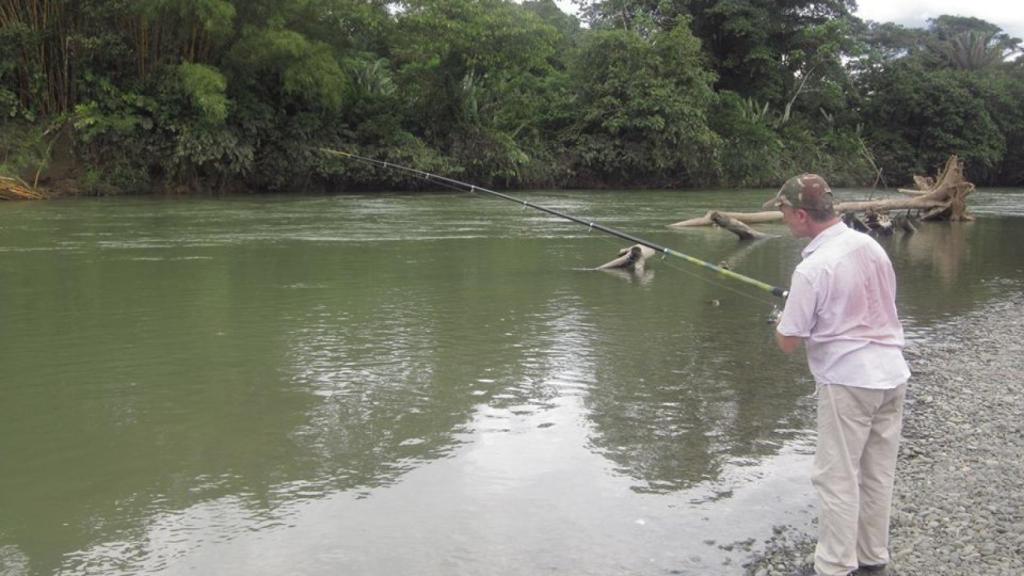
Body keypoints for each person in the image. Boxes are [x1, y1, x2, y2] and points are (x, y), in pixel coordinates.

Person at [765, 174, 911, 576]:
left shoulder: (812, 269)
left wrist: (780, 318)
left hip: (849, 383)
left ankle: (833, 567)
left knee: (837, 478)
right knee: (877, 474)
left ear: (800, 214)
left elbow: (789, 341)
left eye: (782, 212)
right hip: (893, 375)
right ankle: (872, 559)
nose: (781, 219)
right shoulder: (871, 246)